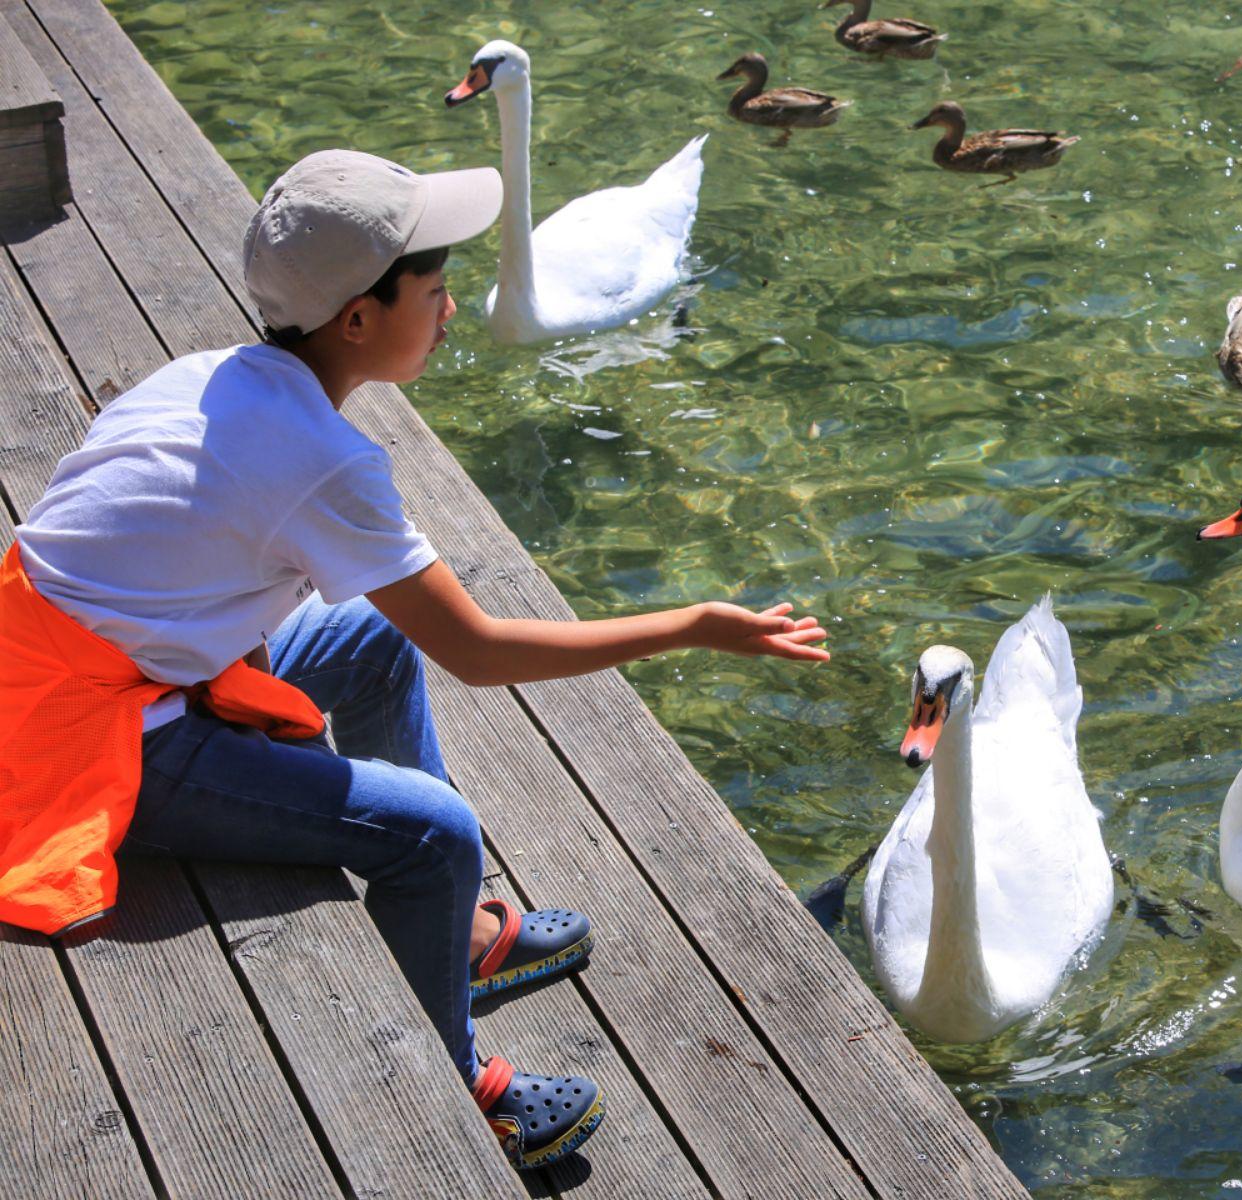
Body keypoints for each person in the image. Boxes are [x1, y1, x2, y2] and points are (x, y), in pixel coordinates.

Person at [0, 149, 829, 1172]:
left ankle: (460, 934)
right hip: (92, 734)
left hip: (59, 663)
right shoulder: (324, 461)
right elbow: (480, 652)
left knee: (378, 638)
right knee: (435, 832)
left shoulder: (208, 374)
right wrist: (692, 624)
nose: (446, 310)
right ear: (358, 319)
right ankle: (463, 1083)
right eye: (431, 292)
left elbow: (175, 558)